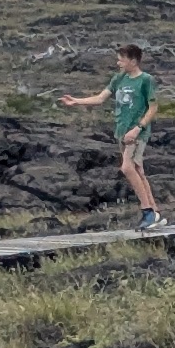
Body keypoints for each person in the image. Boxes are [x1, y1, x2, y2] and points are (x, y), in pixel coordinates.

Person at [61, 43, 165, 232]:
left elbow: (153, 108)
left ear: (133, 61)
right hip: (121, 132)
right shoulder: (119, 79)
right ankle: (156, 213)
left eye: (121, 60)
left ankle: (147, 211)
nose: (118, 63)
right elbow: (101, 98)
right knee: (137, 171)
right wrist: (76, 102)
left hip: (136, 133)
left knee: (126, 167)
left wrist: (138, 128)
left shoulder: (145, 80)